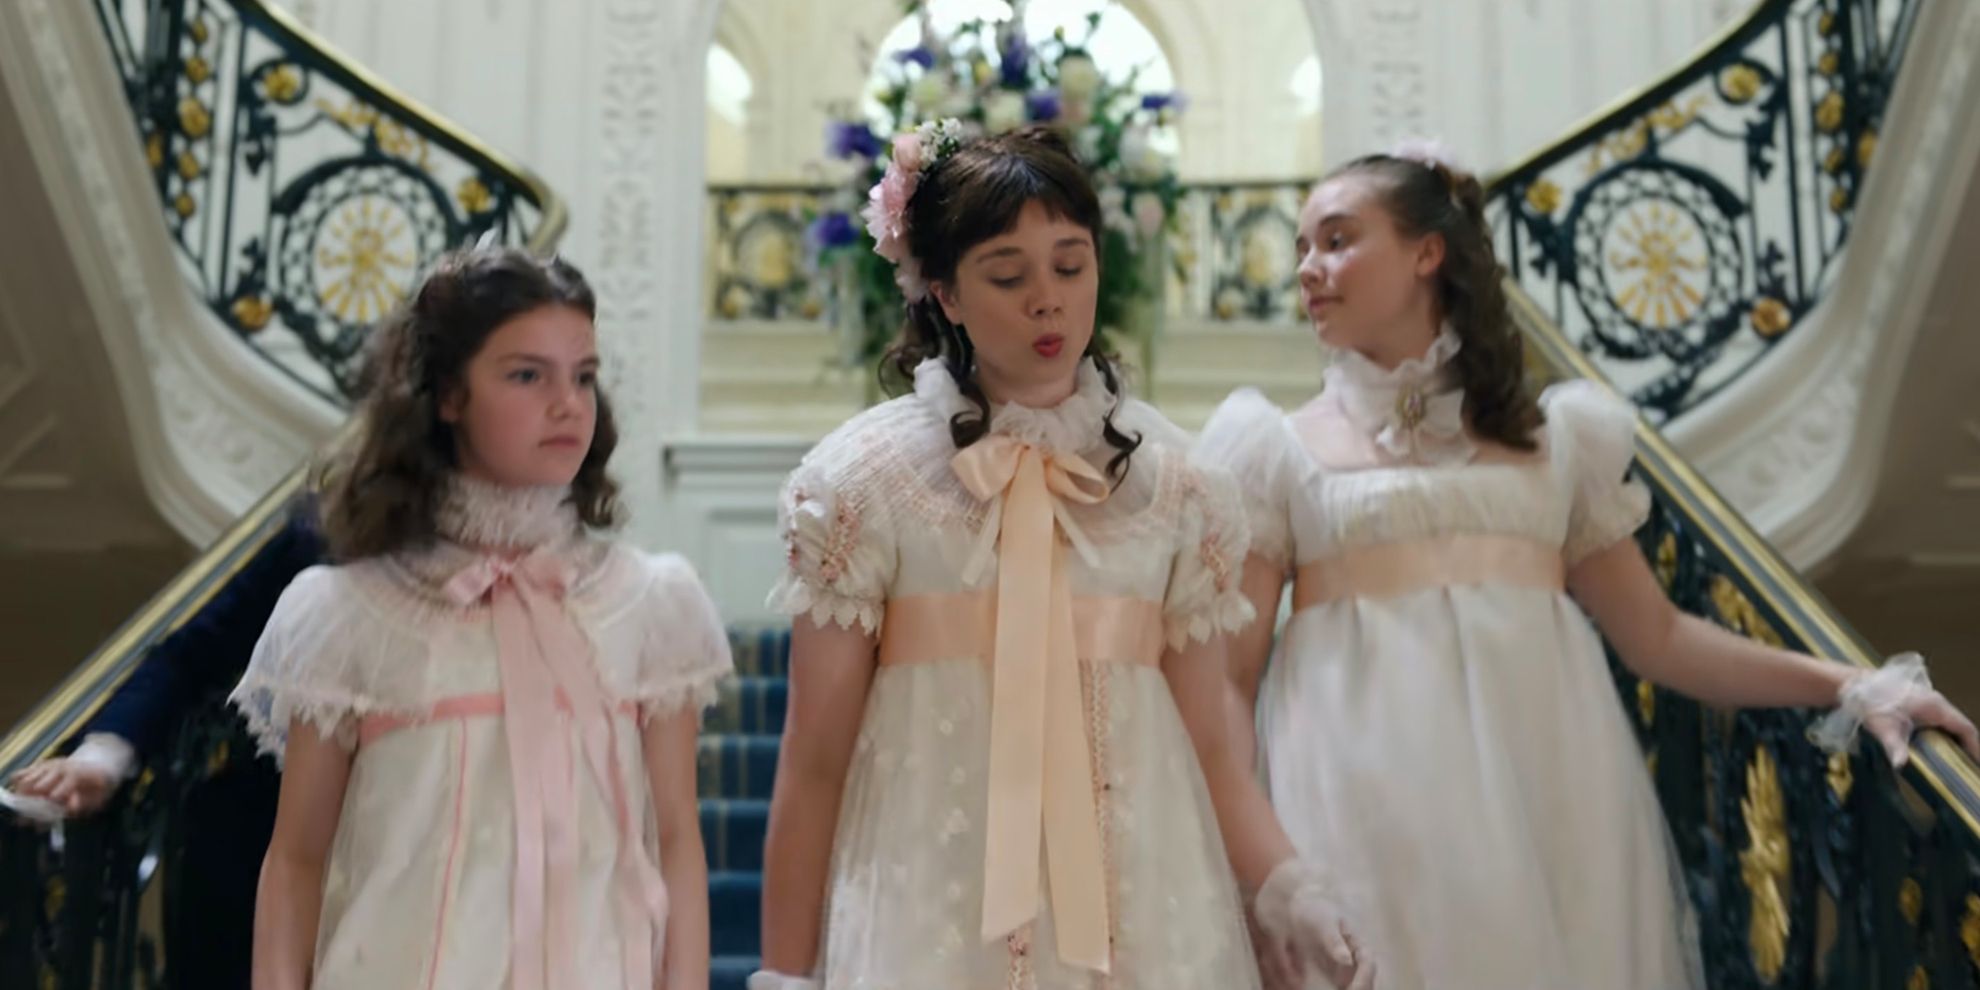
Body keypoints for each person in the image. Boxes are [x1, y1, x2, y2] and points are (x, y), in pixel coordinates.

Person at [1198, 142, 1980, 989]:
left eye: (1338, 240)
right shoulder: (1273, 451)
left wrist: (1852, 686)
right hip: (1356, 805)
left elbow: (1662, 636)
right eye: (1304, 247)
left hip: (1552, 804)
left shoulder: (1558, 442)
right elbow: (1228, 687)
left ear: (1428, 252)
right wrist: (1269, 870)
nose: (1309, 268)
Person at [748, 123, 1373, 990]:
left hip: (1150, 908)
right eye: (1008, 275)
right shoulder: (862, 486)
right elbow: (813, 761)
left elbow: (1215, 753)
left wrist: (1289, 887)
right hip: (930, 908)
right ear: (946, 295)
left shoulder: (1182, 490)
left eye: (1070, 265)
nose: (1047, 299)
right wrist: (784, 973)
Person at [230, 247, 732, 989]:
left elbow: (679, 843)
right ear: (446, 396)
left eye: (583, 376)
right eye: (528, 374)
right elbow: (297, 860)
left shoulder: (651, 603)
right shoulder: (344, 613)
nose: (569, 403)